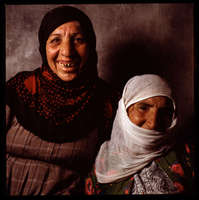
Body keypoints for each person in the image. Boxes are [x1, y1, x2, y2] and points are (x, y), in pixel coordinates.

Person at [6, 6, 119, 195]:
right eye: (55, 40)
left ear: (91, 46)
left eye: (78, 40)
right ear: (43, 46)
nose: (67, 51)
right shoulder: (20, 88)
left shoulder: (107, 102)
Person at [85, 74, 195, 195]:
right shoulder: (103, 163)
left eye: (165, 112)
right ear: (124, 111)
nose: (153, 123)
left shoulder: (187, 156)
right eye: (143, 108)